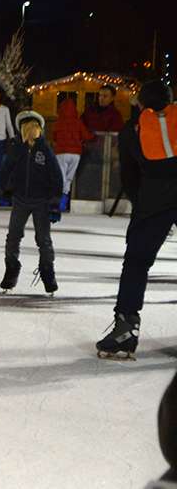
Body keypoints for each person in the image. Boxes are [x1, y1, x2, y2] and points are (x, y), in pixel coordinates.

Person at [96, 80, 177, 360]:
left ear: (141, 104)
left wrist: (142, 203)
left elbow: (129, 177)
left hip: (153, 200)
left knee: (136, 262)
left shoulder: (132, 131)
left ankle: (126, 327)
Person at [0, 110, 63, 295]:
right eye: (28, 127)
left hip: (41, 201)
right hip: (20, 200)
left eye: (35, 127)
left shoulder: (45, 149)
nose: (32, 130)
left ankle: (48, 273)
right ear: (23, 130)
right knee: (13, 237)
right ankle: (11, 270)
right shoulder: (17, 149)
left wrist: (56, 201)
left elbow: (56, 175)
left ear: (40, 129)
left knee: (43, 240)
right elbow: (6, 168)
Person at [51, 98, 94, 212]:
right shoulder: (78, 122)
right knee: (69, 178)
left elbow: (54, 138)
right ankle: (64, 201)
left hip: (61, 152)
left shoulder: (58, 123)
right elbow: (86, 136)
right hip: (75, 154)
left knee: (61, 177)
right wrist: (93, 137)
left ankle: (58, 201)